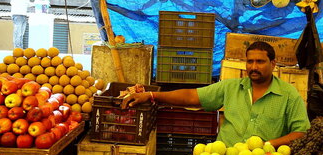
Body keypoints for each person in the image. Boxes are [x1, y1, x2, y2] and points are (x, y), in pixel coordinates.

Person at [122, 41, 311, 147]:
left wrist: (268, 145)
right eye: (250, 61)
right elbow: (191, 97)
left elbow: (301, 132)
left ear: (273, 64)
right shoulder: (231, 87)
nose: (253, 67)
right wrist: (152, 96)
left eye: (260, 62)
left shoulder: (288, 94)